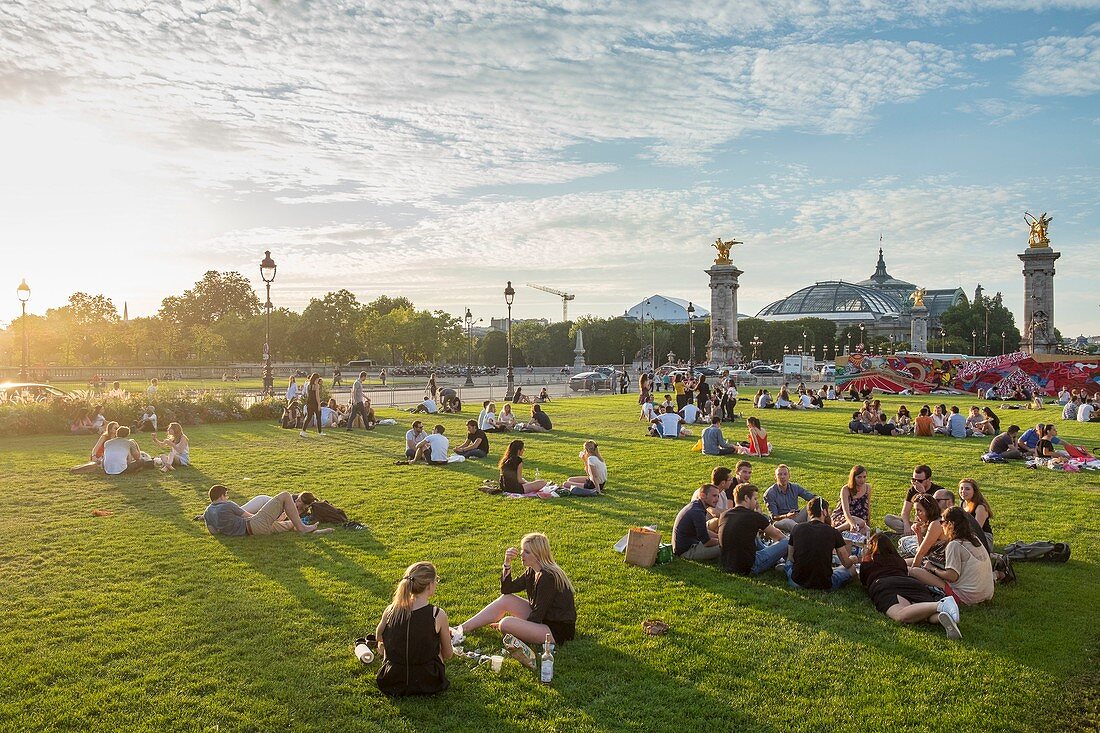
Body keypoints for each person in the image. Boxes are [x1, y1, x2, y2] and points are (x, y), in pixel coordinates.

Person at [451, 533, 576, 648]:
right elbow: (507, 589)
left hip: (556, 630)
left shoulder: (548, 577)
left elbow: (537, 614)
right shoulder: (532, 571)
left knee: (506, 623)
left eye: (527, 552)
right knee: (507, 599)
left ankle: (505, 625)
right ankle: (461, 628)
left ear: (538, 555)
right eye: (522, 550)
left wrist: (515, 627)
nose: (521, 554)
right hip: (544, 618)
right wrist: (507, 564)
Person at [859, 533, 962, 639]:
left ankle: (941, 605)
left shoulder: (868, 563)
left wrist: (863, 557)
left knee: (900, 614)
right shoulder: (898, 561)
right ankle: (947, 616)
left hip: (885, 585)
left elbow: (863, 582)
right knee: (924, 615)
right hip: (912, 584)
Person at [375, 562, 453, 697]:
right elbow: (448, 654)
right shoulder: (437, 614)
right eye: (436, 580)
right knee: (438, 648)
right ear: (429, 585)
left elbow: (378, 637)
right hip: (429, 681)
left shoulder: (391, 610)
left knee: (383, 645)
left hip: (391, 680)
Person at [908, 508, 994, 606]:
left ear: (950, 524)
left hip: (965, 597)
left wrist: (932, 568)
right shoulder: (974, 539)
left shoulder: (955, 545)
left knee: (913, 571)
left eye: (942, 522)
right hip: (985, 594)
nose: (940, 525)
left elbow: (952, 576)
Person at [203, 484, 332, 536]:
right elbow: (250, 516)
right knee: (285, 495)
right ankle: (303, 528)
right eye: (226, 495)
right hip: (253, 525)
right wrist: (270, 515)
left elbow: (213, 532)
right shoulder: (227, 505)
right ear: (221, 496)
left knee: (286, 525)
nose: (227, 498)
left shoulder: (207, 512)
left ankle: (313, 530)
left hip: (252, 532)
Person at [718, 483, 789, 576]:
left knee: (753, 537)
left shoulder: (724, 515)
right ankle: (790, 564)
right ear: (747, 498)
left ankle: (779, 560)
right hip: (750, 566)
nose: (756, 502)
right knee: (788, 541)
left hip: (727, 564)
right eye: (755, 499)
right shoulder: (753, 516)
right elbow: (778, 535)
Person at [787, 497, 857, 590]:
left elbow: (791, 557)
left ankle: (784, 567)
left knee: (788, 562)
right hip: (824, 584)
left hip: (796, 581)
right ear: (824, 512)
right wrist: (853, 559)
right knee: (852, 569)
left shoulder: (797, 528)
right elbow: (846, 563)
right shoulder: (832, 531)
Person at [885, 464, 945, 535]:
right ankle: (910, 533)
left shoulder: (939, 491)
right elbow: (905, 512)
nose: (916, 483)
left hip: (931, 524)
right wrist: (907, 526)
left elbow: (935, 514)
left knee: (924, 529)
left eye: (919, 481)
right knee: (888, 519)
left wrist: (923, 493)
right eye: (913, 480)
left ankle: (907, 534)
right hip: (917, 523)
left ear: (929, 479)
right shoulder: (912, 490)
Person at [672, 484, 721, 560]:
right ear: (703, 495)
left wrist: (719, 536)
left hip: (687, 544)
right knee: (729, 546)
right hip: (687, 551)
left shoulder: (696, 505)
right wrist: (723, 541)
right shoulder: (697, 512)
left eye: (718, 496)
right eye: (714, 496)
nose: (717, 499)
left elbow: (703, 531)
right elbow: (707, 542)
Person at [764, 464, 817, 533]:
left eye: (785, 474)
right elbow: (774, 517)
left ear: (789, 476)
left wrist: (822, 503)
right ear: (775, 477)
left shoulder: (795, 487)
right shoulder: (770, 493)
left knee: (813, 505)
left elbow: (811, 497)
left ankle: (812, 531)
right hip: (781, 521)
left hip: (796, 517)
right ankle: (804, 533)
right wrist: (786, 516)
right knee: (788, 522)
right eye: (779, 474)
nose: (782, 477)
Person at [904, 494, 946, 568]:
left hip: (940, 566)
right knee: (898, 564)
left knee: (905, 568)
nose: (916, 514)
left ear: (929, 510)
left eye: (919, 510)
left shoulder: (936, 524)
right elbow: (924, 552)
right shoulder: (931, 522)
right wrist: (918, 534)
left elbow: (921, 553)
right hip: (931, 560)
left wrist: (913, 571)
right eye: (915, 511)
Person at [831, 465, 871, 536]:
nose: (862, 480)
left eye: (864, 477)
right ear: (853, 478)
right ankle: (834, 531)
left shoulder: (868, 488)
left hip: (860, 518)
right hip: (844, 517)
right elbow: (846, 512)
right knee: (861, 523)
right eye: (859, 477)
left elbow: (868, 507)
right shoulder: (846, 489)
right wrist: (852, 524)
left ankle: (845, 537)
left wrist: (868, 523)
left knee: (867, 530)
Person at [958, 479, 994, 547]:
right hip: (967, 534)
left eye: (967, 489)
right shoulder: (962, 504)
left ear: (974, 491)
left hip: (982, 537)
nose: (963, 491)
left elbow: (977, 530)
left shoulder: (980, 507)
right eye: (961, 488)